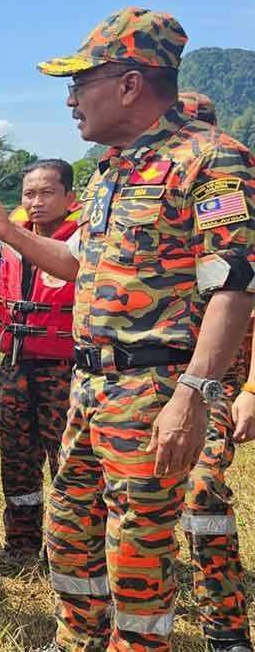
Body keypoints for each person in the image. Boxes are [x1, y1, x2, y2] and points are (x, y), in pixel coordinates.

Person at [0, 7, 255, 652]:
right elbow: (79, 261)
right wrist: (7, 232)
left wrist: (194, 396)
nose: (69, 100)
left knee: (138, 554)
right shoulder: (112, 170)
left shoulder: (214, 161)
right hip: (91, 388)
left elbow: (234, 285)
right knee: (70, 529)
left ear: (129, 84)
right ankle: (76, 638)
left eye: (79, 84)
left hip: (156, 386)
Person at [175, 90, 253, 651]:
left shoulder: (232, 195)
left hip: (218, 376)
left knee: (202, 490)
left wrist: (251, 387)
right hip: (145, 376)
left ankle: (224, 626)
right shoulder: (138, 192)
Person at [0, 159, 80, 570]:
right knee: (15, 454)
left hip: (63, 367)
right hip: (14, 363)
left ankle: (65, 547)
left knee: (65, 456)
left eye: (47, 193)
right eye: (29, 194)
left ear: (70, 197)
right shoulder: (10, 236)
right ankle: (21, 541)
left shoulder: (83, 241)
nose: (36, 202)